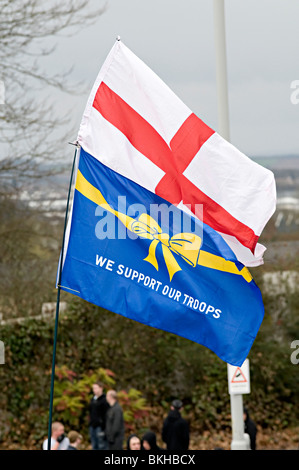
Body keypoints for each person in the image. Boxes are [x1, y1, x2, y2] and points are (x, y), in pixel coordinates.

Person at [88, 381, 109, 450]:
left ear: (101, 388)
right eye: (93, 388)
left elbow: (106, 415)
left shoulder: (105, 400)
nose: (94, 390)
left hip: (100, 427)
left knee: (102, 445)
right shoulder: (93, 399)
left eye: (96, 388)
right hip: (92, 426)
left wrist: (104, 426)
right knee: (94, 445)